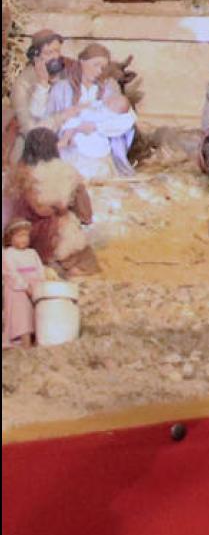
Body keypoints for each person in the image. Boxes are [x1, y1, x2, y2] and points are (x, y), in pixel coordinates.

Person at [14, 127, 98, 277]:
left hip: (25, 233)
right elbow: (85, 212)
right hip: (55, 231)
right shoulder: (66, 171)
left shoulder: (20, 172)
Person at [58, 44, 136, 179]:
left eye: (103, 67)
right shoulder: (63, 88)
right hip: (70, 151)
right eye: (95, 65)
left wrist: (97, 126)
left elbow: (127, 119)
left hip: (99, 152)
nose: (99, 71)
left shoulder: (107, 89)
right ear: (82, 62)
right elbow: (50, 118)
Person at [9, 30, 73, 161]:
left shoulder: (65, 75)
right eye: (49, 53)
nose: (56, 57)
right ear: (35, 56)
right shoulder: (23, 83)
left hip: (65, 142)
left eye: (58, 51)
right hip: (33, 149)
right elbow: (29, 129)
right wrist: (43, 86)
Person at [2, 221, 43, 347]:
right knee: (21, 310)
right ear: (10, 238)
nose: (24, 239)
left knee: (39, 309)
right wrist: (25, 287)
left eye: (26, 235)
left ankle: (38, 337)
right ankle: (24, 339)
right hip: (17, 288)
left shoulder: (32, 253)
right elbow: (11, 273)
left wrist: (39, 284)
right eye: (19, 236)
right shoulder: (8, 253)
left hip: (33, 286)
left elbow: (40, 269)